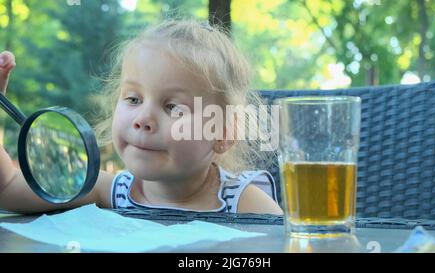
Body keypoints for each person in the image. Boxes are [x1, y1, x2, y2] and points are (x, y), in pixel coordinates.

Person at [0, 20, 282, 215]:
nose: (143, 119)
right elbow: (7, 188)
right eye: (133, 99)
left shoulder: (245, 204)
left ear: (222, 134)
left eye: (173, 107)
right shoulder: (109, 191)